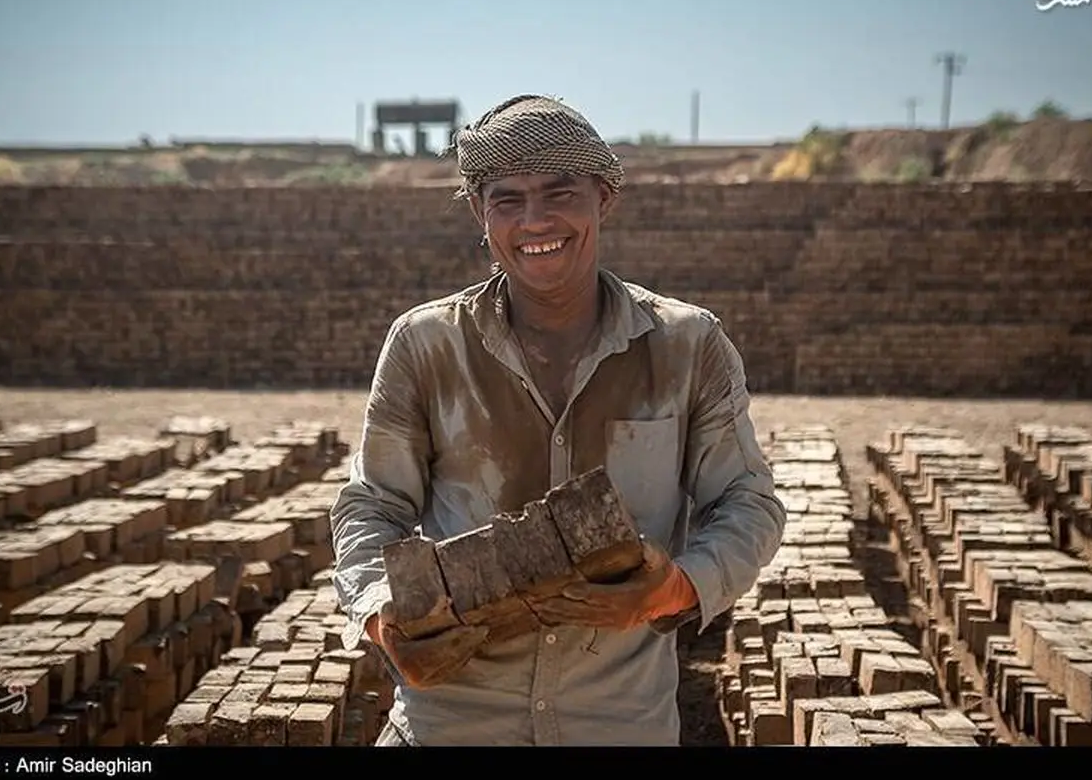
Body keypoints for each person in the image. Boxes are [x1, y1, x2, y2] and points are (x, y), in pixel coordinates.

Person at [330, 94, 786, 746]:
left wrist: (675, 587)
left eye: (558, 192)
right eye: (506, 199)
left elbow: (749, 502)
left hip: (620, 723)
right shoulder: (425, 345)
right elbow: (369, 505)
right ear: (480, 215)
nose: (534, 219)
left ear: (604, 197)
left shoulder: (688, 346)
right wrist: (383, 613)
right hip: (453, 724)